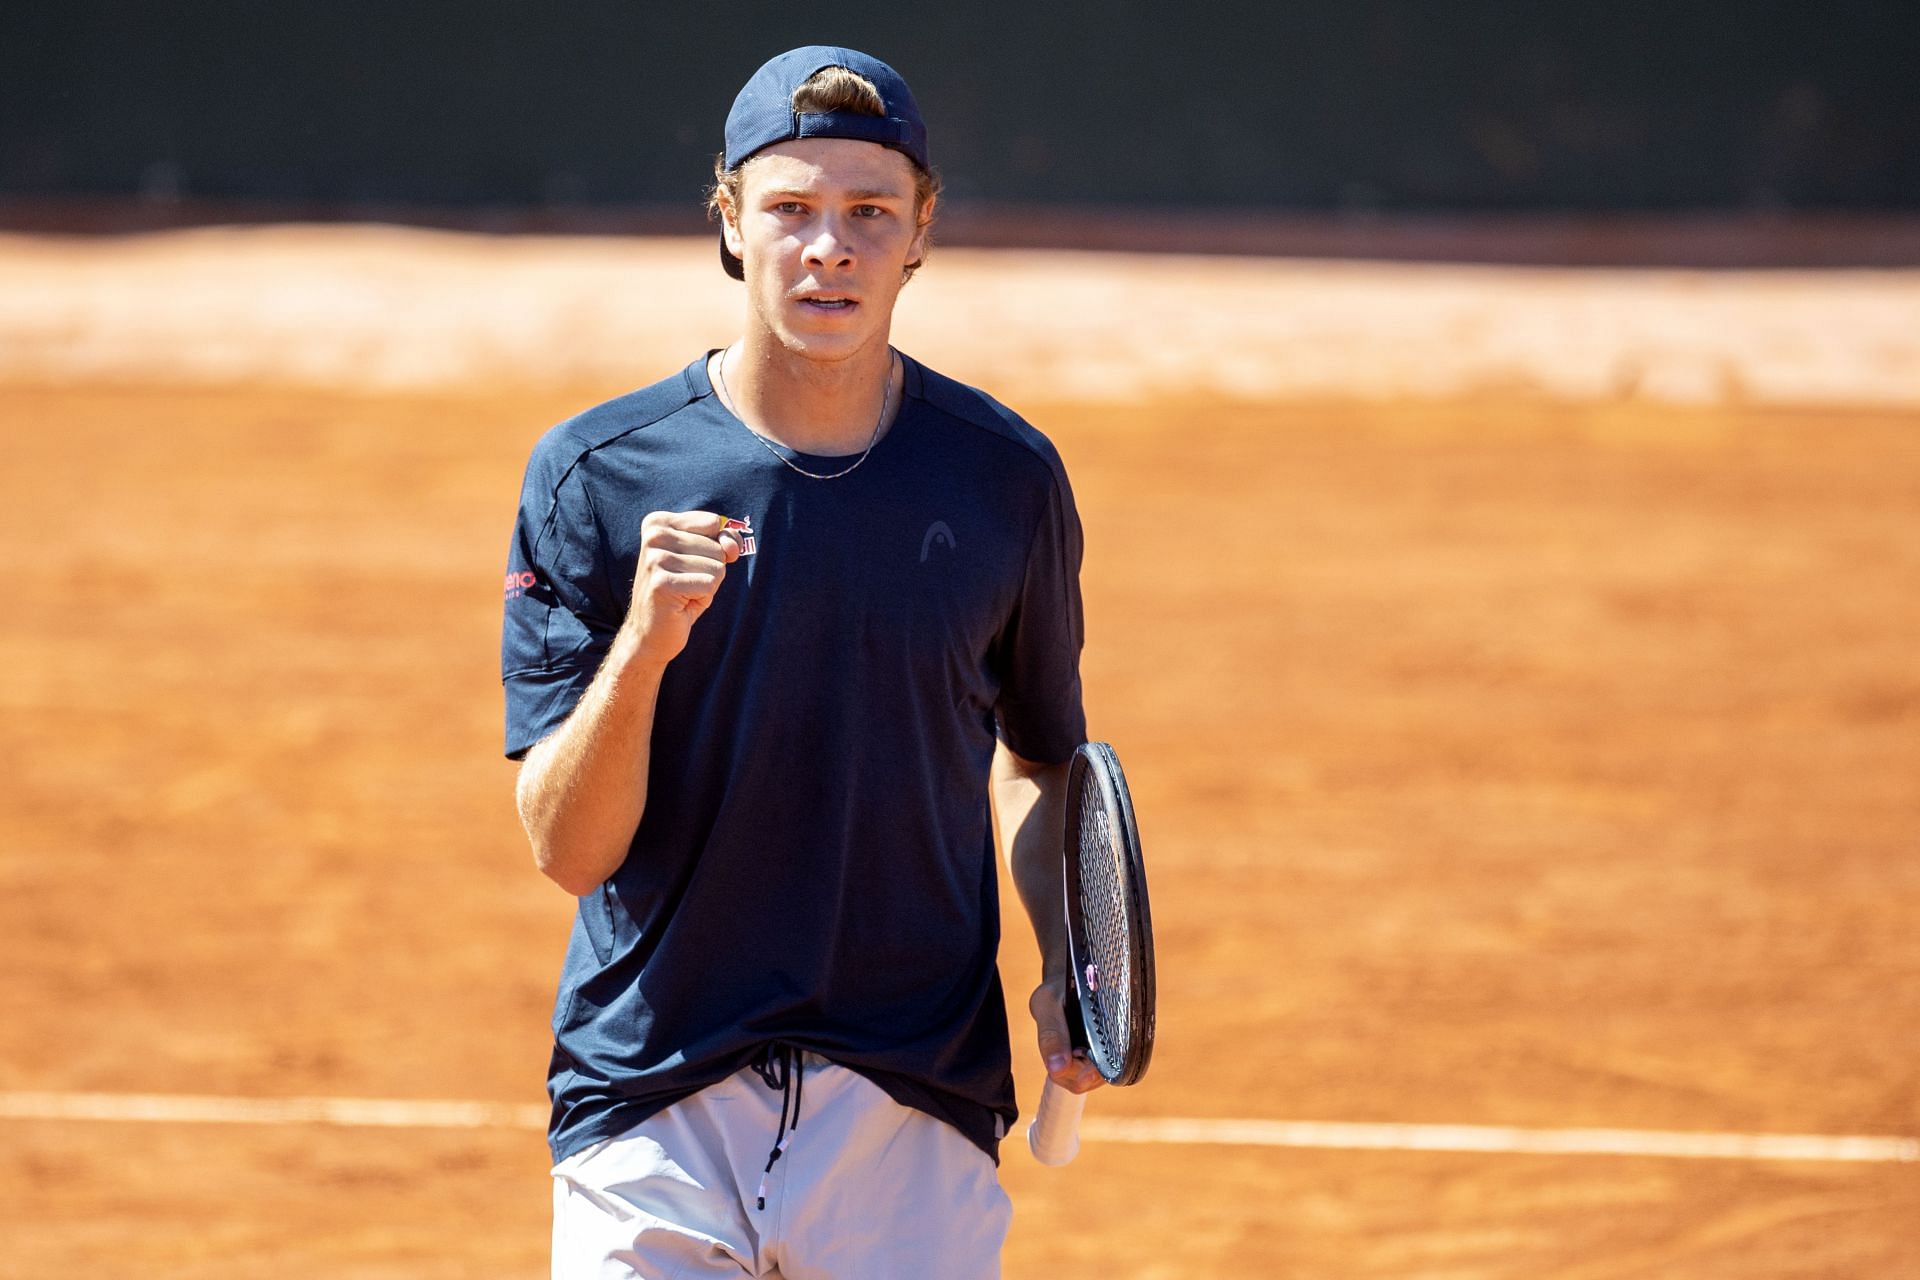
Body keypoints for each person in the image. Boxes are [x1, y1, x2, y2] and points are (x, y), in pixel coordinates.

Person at [501, 45, 1101, 1279]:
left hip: (910, 1098)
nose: (830, 246)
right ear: (728, 220)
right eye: (791, 209)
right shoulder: (595, 476)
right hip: (653, 1096)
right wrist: (644, 648)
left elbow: (1041, 757)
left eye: (869, 212)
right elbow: (569, 847)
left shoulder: (1003, 479)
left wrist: (1064, 959)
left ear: (921, 229)